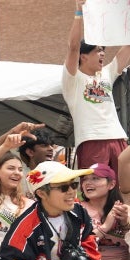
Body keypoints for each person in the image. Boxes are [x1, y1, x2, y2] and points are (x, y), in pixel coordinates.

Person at [64, 0, 130, 175]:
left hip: (118, 138)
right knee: (95, 185)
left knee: (125, 186)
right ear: (83, 56)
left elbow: (128, 46)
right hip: (91, 140)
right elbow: (73, 48)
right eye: (98, 50)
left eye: (103, 50)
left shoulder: (107, 73)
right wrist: (79, 12)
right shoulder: (73, 78)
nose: (102, 54)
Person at [80, 162, 130, 260]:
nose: (87, 183)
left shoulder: (124, 210)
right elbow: (79, 243)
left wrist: (125, 224)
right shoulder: (78, 209)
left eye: (95, 178)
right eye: (85, 179)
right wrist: (106, 226)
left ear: (111, 184)